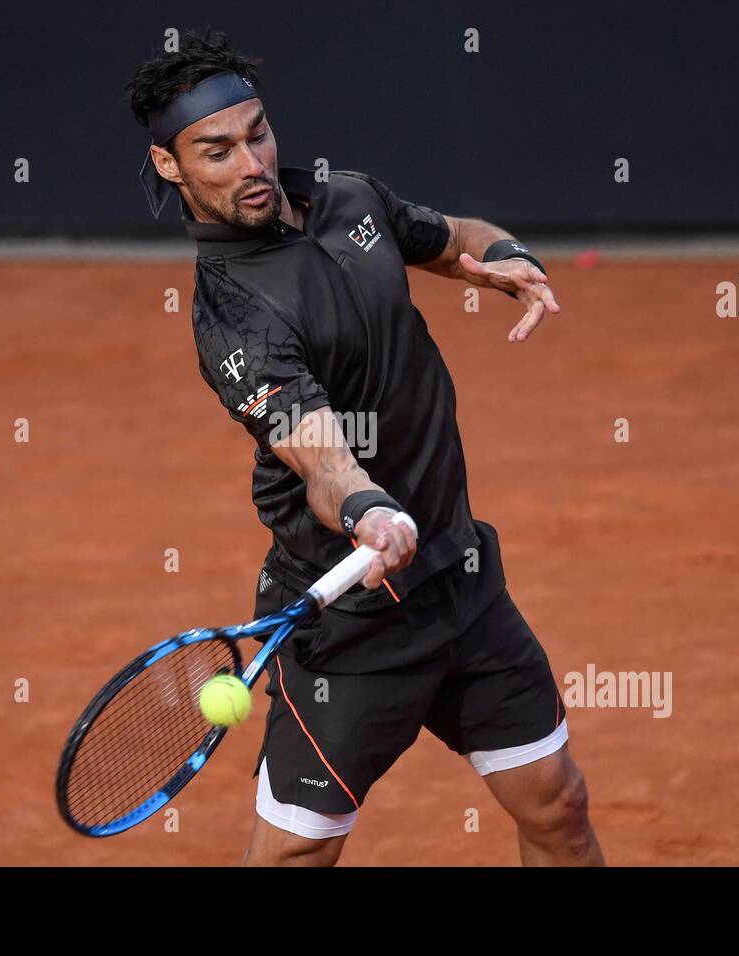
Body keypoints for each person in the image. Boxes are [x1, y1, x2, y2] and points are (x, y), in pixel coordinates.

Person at [127, 29, 604, 866]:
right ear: (171, 166)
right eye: (217, 151)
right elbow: (315, 449)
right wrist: (367, 507)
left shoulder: (347, 197)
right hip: (350, 619)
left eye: (258, 134)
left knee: (558, 804)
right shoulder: (234, 315)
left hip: (460, 579)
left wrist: (503, 258)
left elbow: (449, 236)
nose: (252, 164)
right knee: (293, 859)